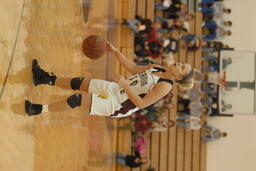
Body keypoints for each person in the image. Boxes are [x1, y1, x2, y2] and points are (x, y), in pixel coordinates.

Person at [25, 41, 194, 117]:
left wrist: (125, 85)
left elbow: (141, 104)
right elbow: (133, 68)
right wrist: (115, 51)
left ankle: (38, 110)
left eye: (182, 67)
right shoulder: (159, 68)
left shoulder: (166, 86)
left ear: (179, 77)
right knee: (78, 82)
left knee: (77, 99)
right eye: (182, 63)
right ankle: (43, 78)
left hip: (118, 104)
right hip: (116, 89)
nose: (179, 63)